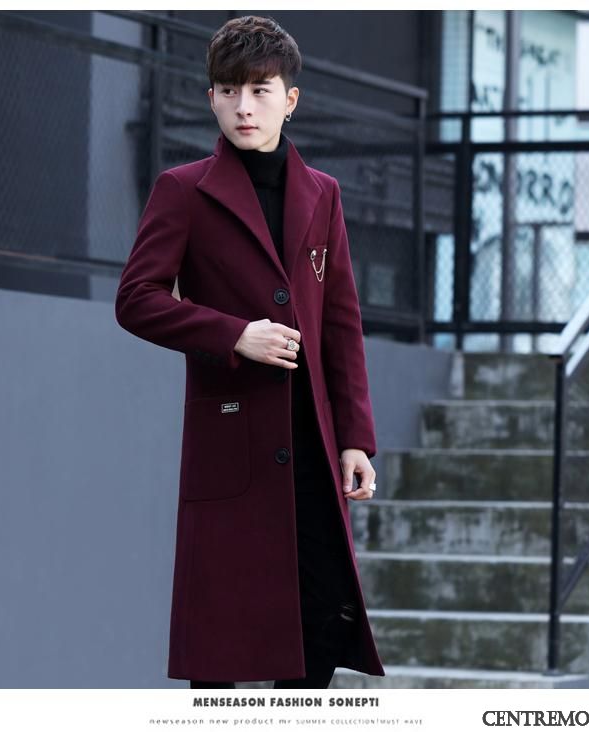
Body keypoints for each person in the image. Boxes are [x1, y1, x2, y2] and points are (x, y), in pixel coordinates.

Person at [115, 15, 384, 689]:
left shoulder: (324, 194)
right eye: (230, 90)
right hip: (230, 442)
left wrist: (356, 437)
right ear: (211, 97)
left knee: (316, 631)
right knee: (220, 641)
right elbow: (136, 298)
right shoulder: (183, 190)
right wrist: (233, 334)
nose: (244, 106)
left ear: (290, 100)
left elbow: (341, 322)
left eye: (260, 91)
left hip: (313, 443)